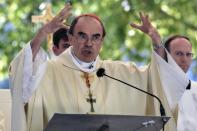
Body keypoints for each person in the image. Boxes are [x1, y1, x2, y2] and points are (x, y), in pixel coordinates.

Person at [24, 4, 190, 130]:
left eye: (96, 37)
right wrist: (41, 34)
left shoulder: (117, 73)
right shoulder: (47, 70)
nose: (89, 43)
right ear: (71, 38)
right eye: (82, 36)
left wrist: (156, 41)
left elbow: (158, 81)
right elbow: (22, 75)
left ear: (101, 42)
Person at [9, 4, 71, 131]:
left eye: (73, 46)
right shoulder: (43, 72)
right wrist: (43, 32)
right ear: (55, 49)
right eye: (66, 46)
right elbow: (22, 71)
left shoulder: (90, 73)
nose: (70, 51)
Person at [164, 35, 197, 131]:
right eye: (179, 54)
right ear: (166, 56)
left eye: (188, 54)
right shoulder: (156, 88)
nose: (184, 59)